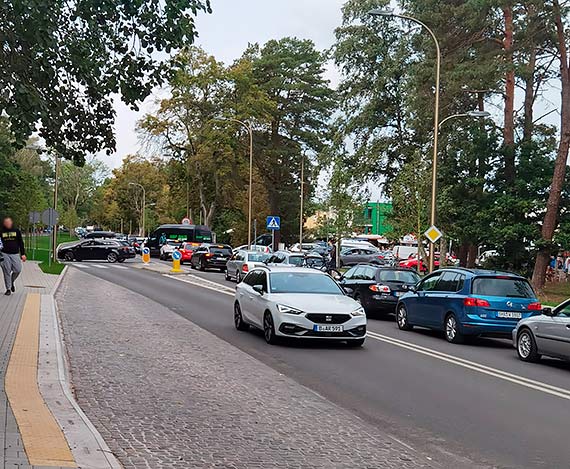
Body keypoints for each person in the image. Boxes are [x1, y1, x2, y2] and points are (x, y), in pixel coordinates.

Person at [0, 217, 26, 296]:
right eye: (6, 222)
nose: (8, 224)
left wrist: (23, 254)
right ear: (4, 223)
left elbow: (21, 243)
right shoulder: (1, 232)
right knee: (6, 271)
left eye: (9, 222)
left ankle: (11, 281)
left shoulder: (16, 231)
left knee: (18, 269)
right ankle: (8, 289)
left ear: (11, 223)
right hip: (4, 254)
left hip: (15, 254)